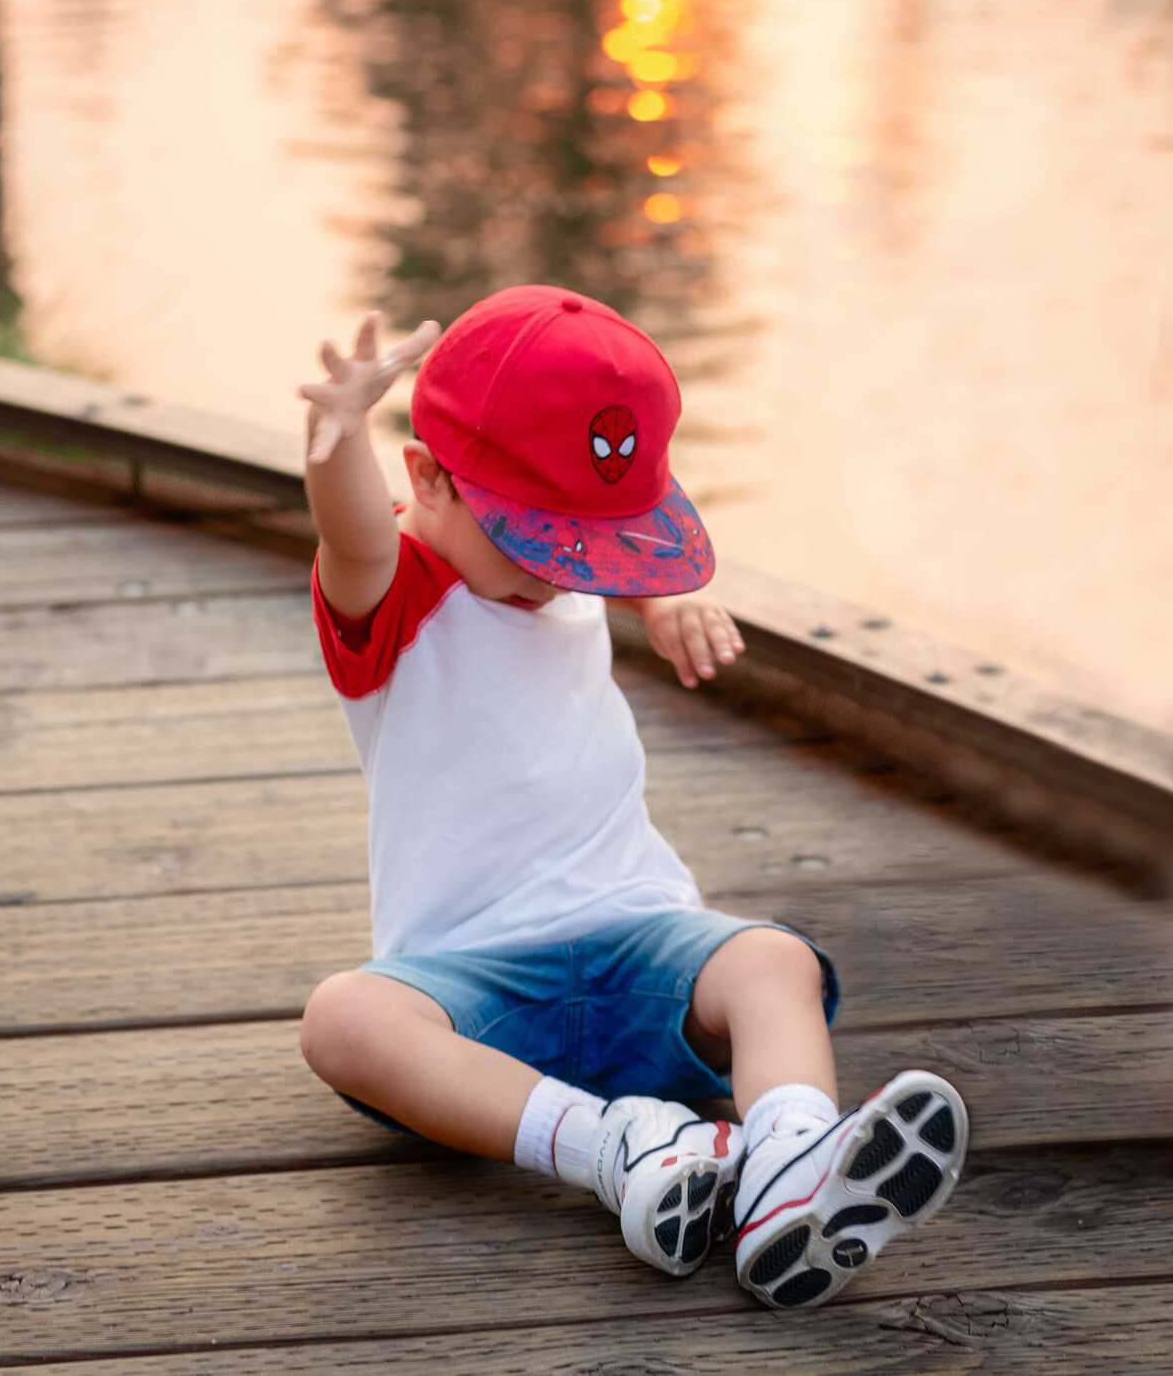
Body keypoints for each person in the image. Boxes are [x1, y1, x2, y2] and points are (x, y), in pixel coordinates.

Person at [297, 284, 968, 1310]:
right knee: (345, 1021)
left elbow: (613, 523)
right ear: (429, 479)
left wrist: (665, 589)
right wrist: (340, 437)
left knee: (771, 958)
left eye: (587, 548)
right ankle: (623, 1146)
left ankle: (791, 1168)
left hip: (637, 943)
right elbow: (353, 541)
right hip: (470, 988)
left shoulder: (564, 575)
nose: (566, 573)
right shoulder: (399, 597)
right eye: (540, 544)